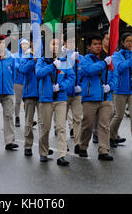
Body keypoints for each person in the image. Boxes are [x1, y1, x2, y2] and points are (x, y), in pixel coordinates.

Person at [36, 37, 75, 166]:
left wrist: (61, 86)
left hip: (61, 98)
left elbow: (71, 77)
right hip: (46, 99)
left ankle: (62, 155)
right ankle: (43, 152)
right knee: (45, 128)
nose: (55, 46)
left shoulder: (65, 61)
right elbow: (39, 73)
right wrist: (52, 66)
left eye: (57, 44)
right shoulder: (42, 60)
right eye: (53, 44)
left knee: (61, 127)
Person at [78, 34, 115, 161]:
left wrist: (110, 86)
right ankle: (82, 146)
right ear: (89, 47)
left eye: (99, 44)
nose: (98, 46)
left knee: (104, 125)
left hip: (106, 97)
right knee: (87, 124)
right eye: (95, 44)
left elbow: (114, 76)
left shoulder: (108, 59)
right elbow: (89, 70)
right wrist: (104, 63)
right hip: (90, 97)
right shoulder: (85, 59)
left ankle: (103, 150)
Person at [110, 33, 132, 151]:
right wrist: (131, 60)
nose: (130, 43)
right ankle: (111, 136)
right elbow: (119, 68)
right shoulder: (116, 56)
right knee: (119, 116)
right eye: (128, 41)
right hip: (120, 90)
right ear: (123, 43)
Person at [19, 39, 44, 157]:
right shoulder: (26, 56)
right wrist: (33, 60)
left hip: (42, 93)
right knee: (29, 121)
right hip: (29, 93)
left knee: (43, 122)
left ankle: (44, 148)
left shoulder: (43, 57)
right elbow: (22, 69)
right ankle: (28, 146)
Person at [62, 34, 84, 155]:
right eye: (69, 41)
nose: (72, 44)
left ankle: (78, 144)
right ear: (64, 42)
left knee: (78, 118)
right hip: (64, 93)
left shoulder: (80, 57)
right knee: (62, 120)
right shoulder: (61, 56)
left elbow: (85, 73)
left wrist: (80, 86)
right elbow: (61, 74)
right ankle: (63, 143)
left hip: (77, 93)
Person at [12, 39, 30, 128]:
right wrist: (24, 66)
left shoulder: (30, 54)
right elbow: (16, 66)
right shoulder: (15, 55)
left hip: (28, 81)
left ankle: (28, 119)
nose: (25, 46)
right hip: (18, 81)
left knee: (27, 101)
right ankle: (17, 117)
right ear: (20, 45)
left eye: (27, 44)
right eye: (23, 44)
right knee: (18, 101)